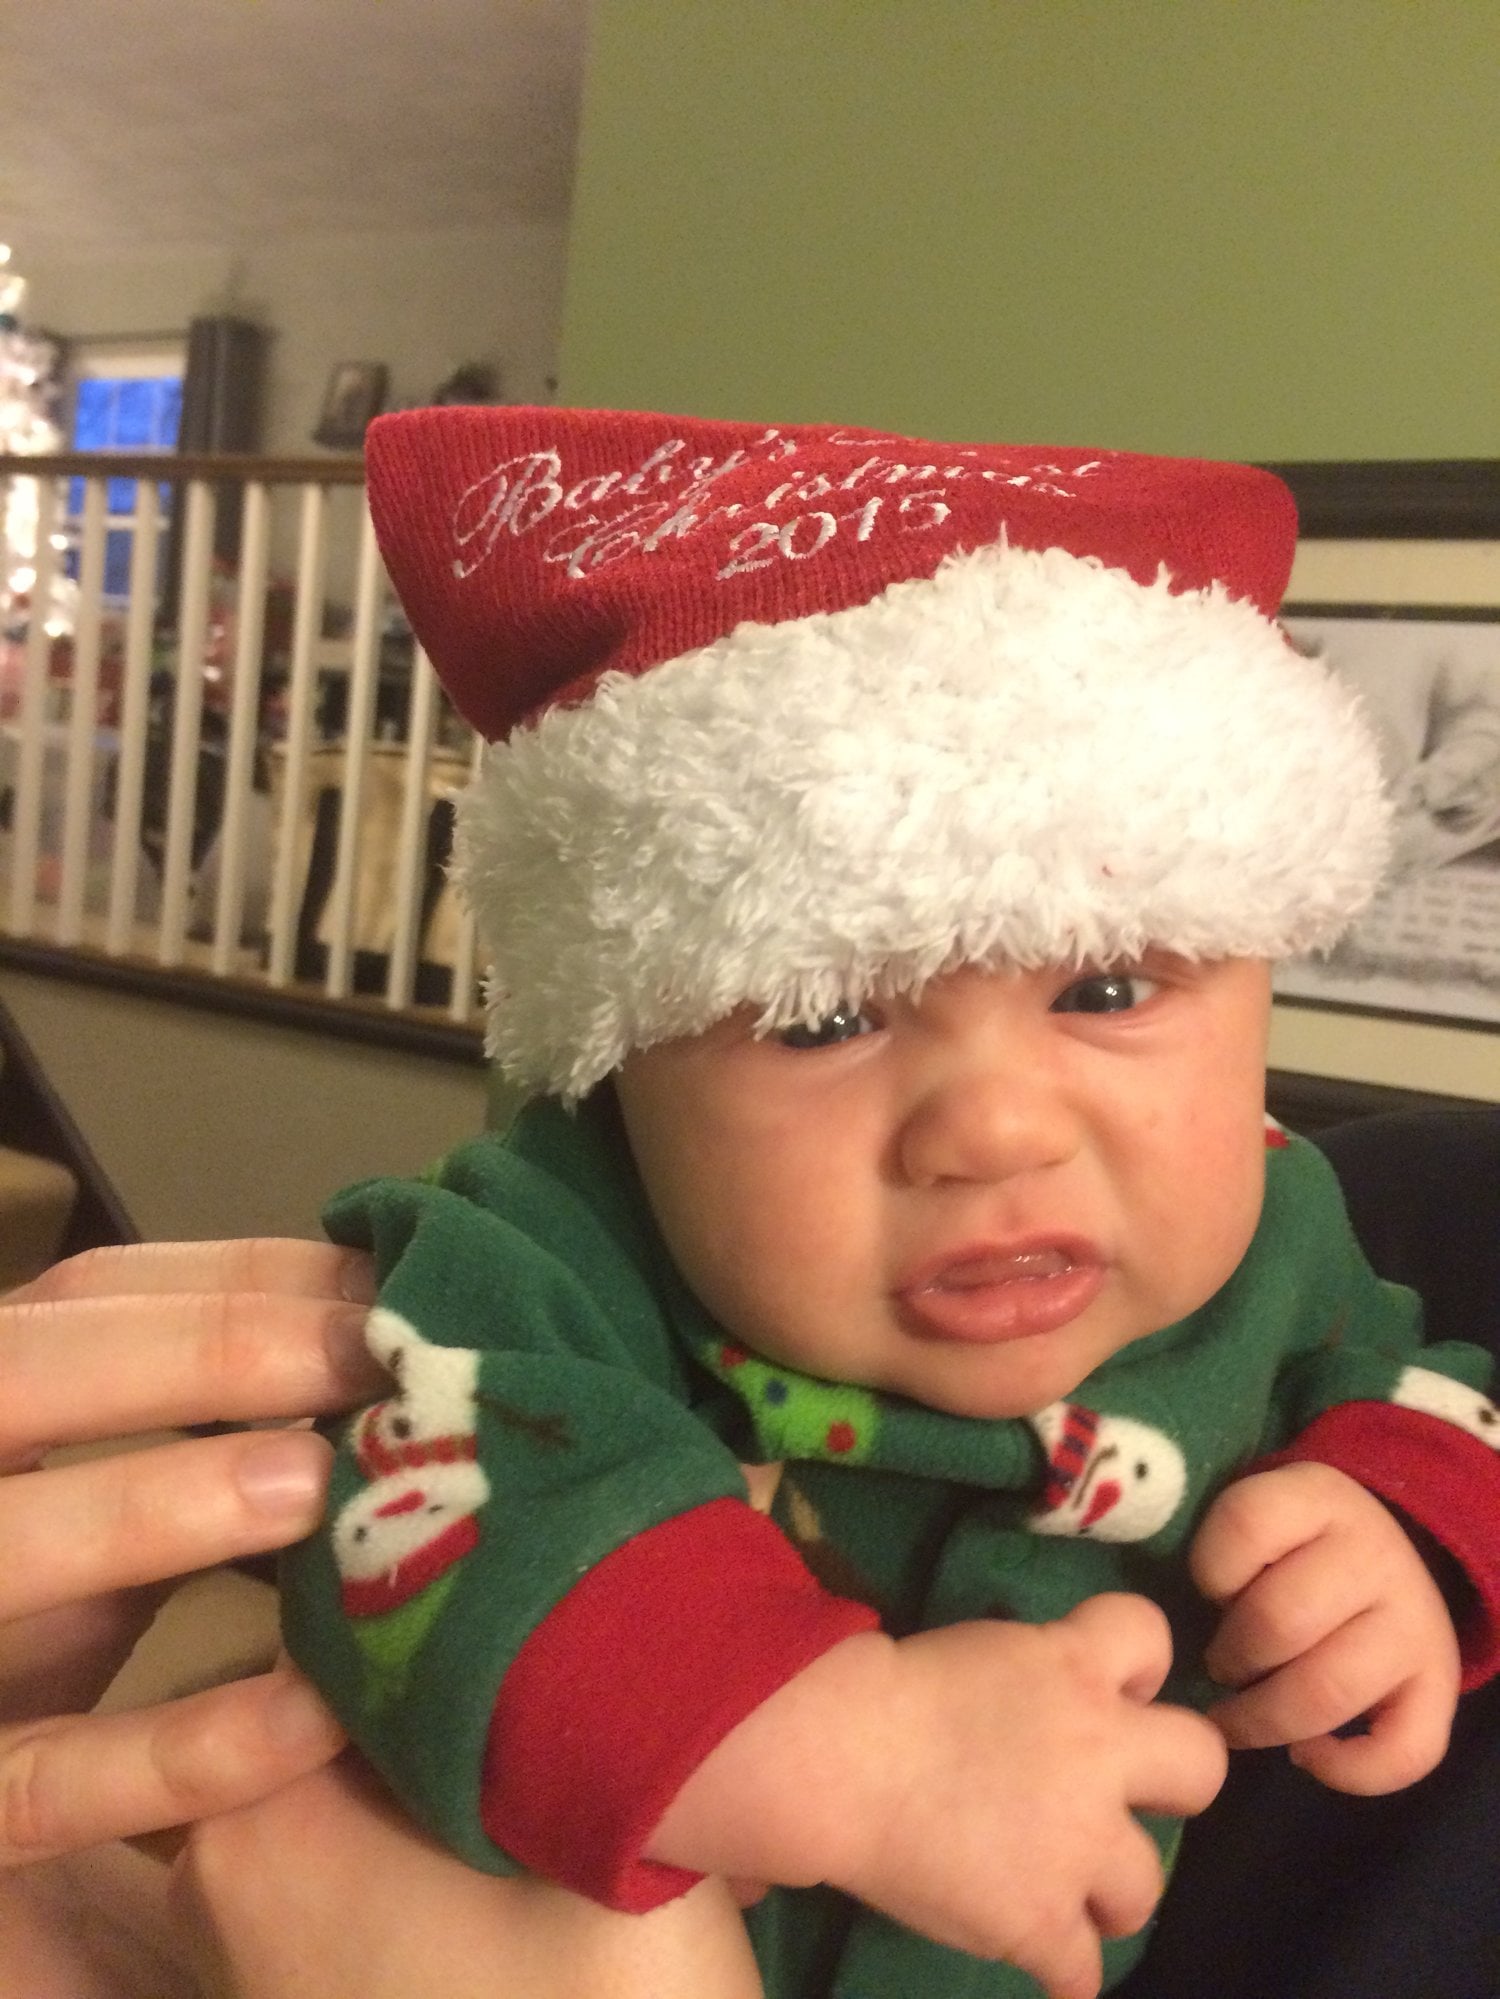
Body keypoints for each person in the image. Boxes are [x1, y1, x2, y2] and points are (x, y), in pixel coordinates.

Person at [266, 407, 1500, 1999]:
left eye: (1107, 989)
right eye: (822, 1019)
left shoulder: (1283, 1225)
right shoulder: (548, 1245)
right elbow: (421, 1511)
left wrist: (1397, 1536)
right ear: (623, 1063)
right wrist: (859, 1754)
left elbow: (1420, 1385)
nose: (992, 1131)